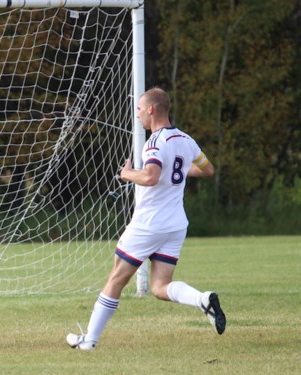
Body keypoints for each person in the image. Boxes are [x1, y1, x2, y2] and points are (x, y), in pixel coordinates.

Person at [66, 87, 226, 350]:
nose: (137, 114)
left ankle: (89, 341)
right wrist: (178, 172)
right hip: (175, 225)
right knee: (160, 287)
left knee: (116, 277)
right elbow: (207, 169)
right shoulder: (185, 139)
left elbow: (150, 177)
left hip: (149, 225)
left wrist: (127, 174)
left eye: (139, 109)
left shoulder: (154, 142)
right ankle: (203, 299)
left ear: (151, 109)